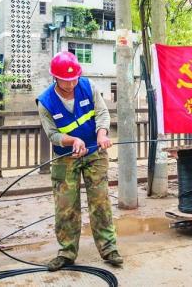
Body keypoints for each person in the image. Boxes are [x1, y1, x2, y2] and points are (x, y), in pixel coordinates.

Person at [37, 51, 123, 271]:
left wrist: (102, 134)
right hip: (66, 157)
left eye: (74, 78)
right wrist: (72, 140)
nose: (72, 83)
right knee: (66, 206)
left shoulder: (88, 87)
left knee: (100, 201)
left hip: (95, 153)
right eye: (66, 80)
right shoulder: (45, 101)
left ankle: (109, 248)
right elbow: (53, 135)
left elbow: (103, 113)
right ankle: (66, 252)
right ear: (55, 78)